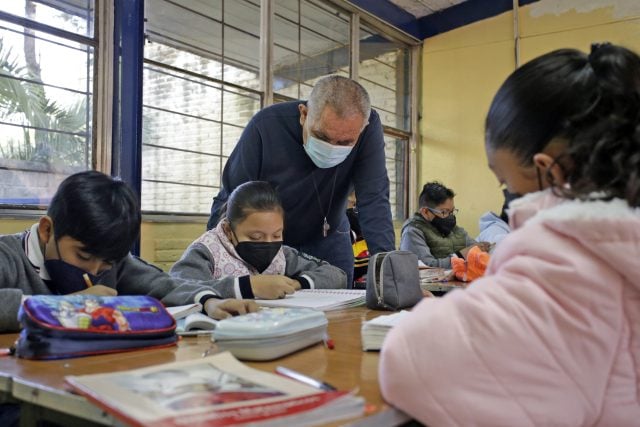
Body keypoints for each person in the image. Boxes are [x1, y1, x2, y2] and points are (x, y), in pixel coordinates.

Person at [379, 43, 640, 425]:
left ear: (549, 172)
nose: (509, 198)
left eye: (504, 182)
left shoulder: (567, 260)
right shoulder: (415, 230)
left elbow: (412, 360)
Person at [0, 171, 257, 332]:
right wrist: (71, 306)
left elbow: (162, 284)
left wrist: (209, 302)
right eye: (83, 256)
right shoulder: (8, 257)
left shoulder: (110, 261)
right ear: (47, 231)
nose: (93, 271)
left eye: (105, 264)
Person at [206, 75, 395, 286]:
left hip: (329, 236)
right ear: (304, 114)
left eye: (345, 142)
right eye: (322, 136)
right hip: (271, 242)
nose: (332, 147)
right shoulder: (265, 126)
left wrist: (391, 274)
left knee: (339, 304)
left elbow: (374, 198)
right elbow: (232, 198)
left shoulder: (368, 127)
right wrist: (217, 260)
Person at [171, 181, 346, 299]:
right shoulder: (207, 251)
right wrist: (249, 286)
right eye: (256, 237)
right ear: (228, 230)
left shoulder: (283, 255)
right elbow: (177, 288)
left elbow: (337, 276)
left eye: (277, 235)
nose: (269, 243)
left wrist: (296, 283)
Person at [400, 181, 488, 268]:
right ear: (425, 212)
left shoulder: (454, 229)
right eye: (444, 212)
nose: (450, 216)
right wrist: (460, 256)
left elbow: (474, 248)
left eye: (452, 211)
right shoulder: (412, 232)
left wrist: (484, 248)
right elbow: (426, 266)